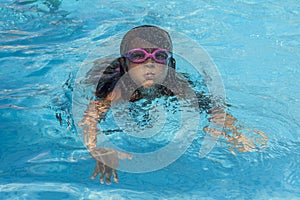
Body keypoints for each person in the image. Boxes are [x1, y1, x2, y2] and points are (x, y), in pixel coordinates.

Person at [79, 25, 267, 185]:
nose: (150, 63)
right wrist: (97, 148)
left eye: (160, 56)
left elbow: (213, 105)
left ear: (171, 64)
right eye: (138, 56)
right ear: (125, 63)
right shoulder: (117, 90)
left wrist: (233, 131)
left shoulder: (177, 84)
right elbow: (89, 119)